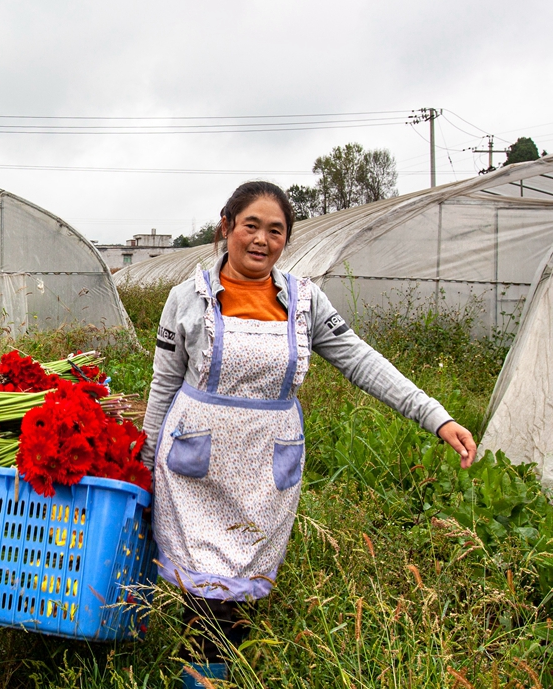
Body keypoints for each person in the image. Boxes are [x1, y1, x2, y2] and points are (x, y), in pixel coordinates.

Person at [140, 181, 476, 687]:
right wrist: (144, 458)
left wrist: (435, 415)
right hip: (194, 465)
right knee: (205, 593)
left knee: (239, 587)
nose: (261, 239)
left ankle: (212, 669)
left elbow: (361, 360)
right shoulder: (186, 298)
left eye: (275, 231)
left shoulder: (305, 302)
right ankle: (204, 677)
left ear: (285, 241)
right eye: (250, 225)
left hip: (264, 469)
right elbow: (164, 382)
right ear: (226, 227)